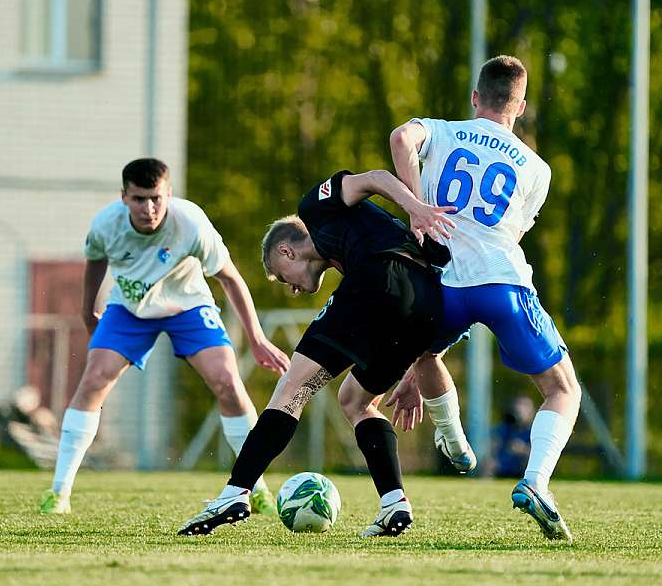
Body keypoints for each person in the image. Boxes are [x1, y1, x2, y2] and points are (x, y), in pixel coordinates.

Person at [177, 168, 457, 537]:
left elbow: (373, 177)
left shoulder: (315, 209)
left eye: (281, 275)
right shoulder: (345, 249)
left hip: (380, 281)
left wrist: (416, 206)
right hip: (425, 305)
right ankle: (394, 503)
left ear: (286, 250)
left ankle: (236, 491)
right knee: (356, 401)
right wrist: (416, 366)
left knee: (293, 388)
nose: (290, 289)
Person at [387, 55, 580, 542]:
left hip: (443, 282)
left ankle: (453, 440)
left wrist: (417, 208)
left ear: (475, 98)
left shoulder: (441, 130)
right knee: (562, 390)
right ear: (520, 107)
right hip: (502, 283)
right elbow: (510, 232)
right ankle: (535, 483)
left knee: (426, 355)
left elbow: (399, 139)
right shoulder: (537, 168)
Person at [39, 158, 290, 515]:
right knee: (94, 379)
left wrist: (257, 338)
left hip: (187, 306)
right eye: (139, 199)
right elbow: (95, 261)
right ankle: (59, 493)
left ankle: (257, 487)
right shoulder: (106, 225)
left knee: (227, 382)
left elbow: (230, 278)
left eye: (156, 198)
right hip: (130, 309)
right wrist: (85, 311)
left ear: (168, 194)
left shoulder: (190, 224)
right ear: (124, 197)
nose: (149, 208)